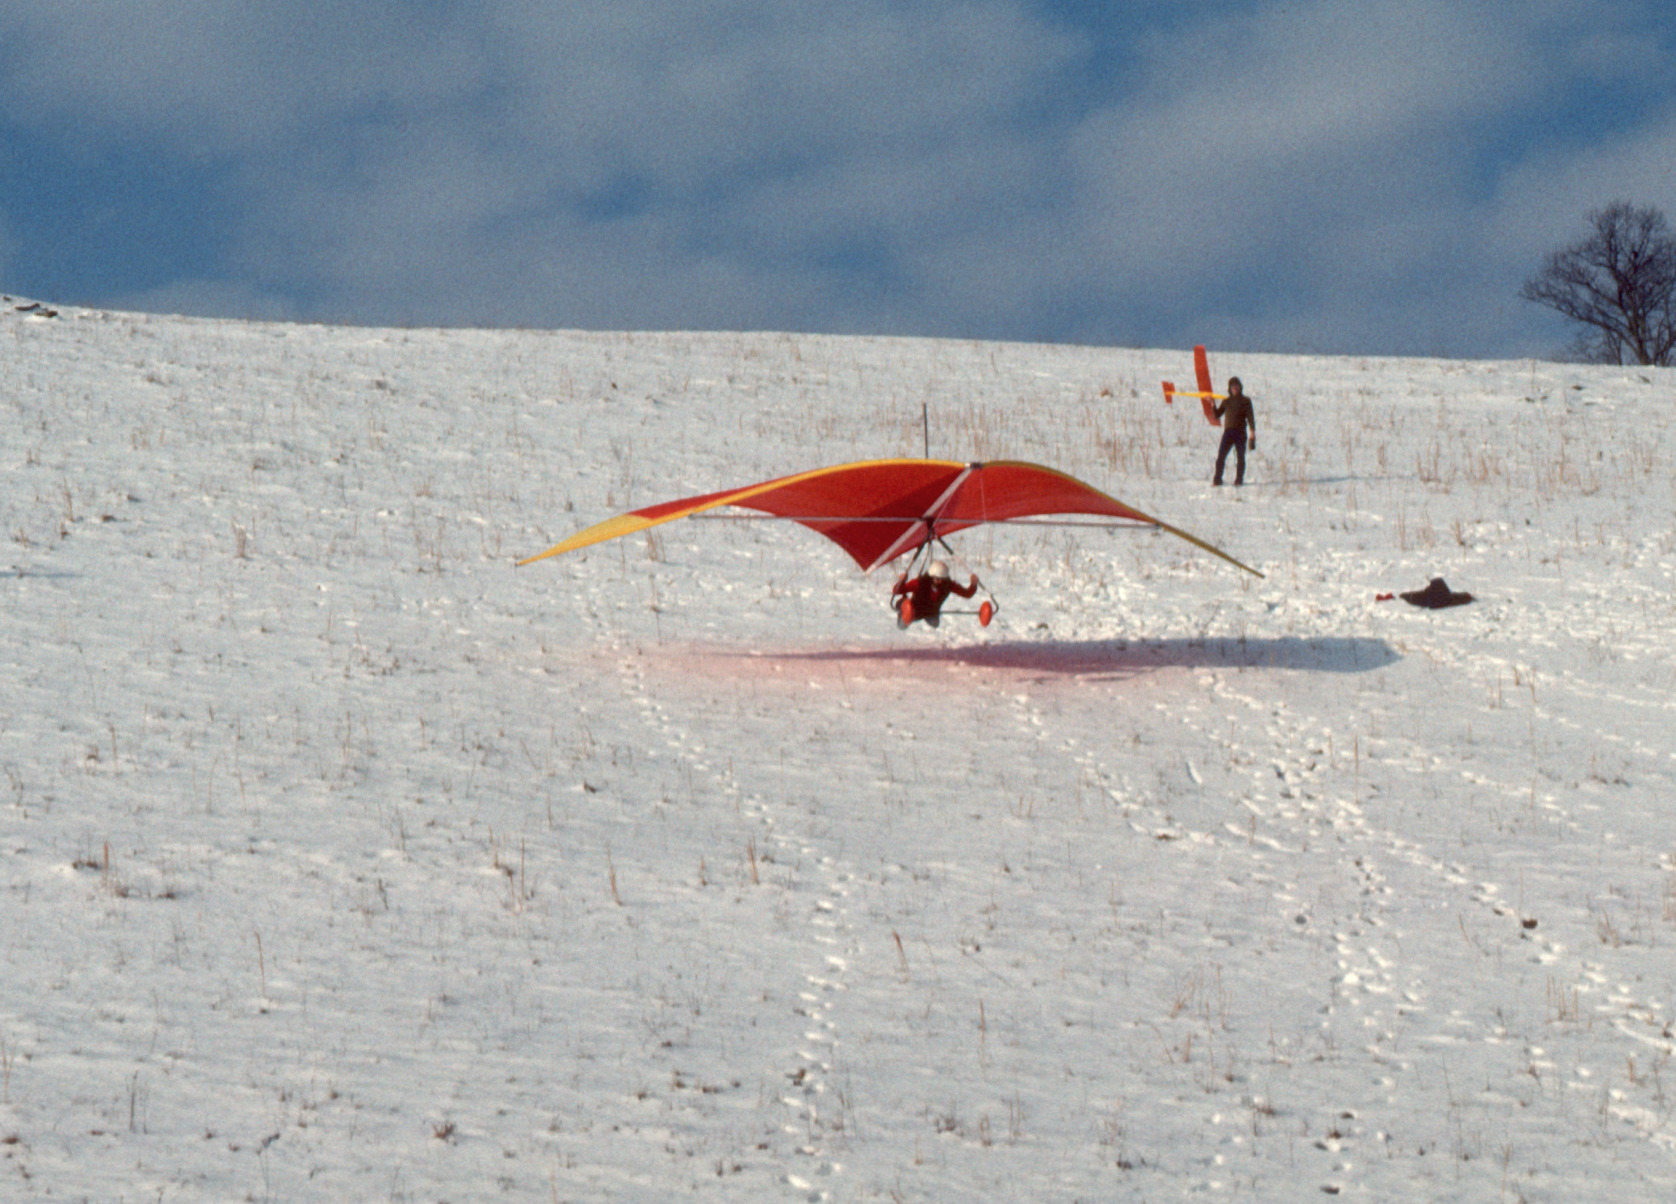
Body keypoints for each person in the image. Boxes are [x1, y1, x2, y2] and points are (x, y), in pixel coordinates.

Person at [892, 559, 978, 628]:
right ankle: (902, 603)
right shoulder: (920, 583)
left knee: (935, 624)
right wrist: (902, 581)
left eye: (942, 579)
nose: (939, 582)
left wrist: (973, 585)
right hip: (914, 611)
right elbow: (896, 590)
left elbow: (967, 594)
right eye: (937, 579)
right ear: (931, 577)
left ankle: (926, 614)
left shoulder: (948, 585)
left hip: (930, 612)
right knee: (902, 625)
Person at [1212, 376, 1257, 486]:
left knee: (1240, 457)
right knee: (1221, 456)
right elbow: (1217, 414)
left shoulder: (1246, 401)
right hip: (1228, 432)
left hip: (1240, 433)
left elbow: (1250, 417)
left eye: (1237, 386)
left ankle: (1239, 480)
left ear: (1240, 387)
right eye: (1233, 387)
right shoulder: (1226, 401)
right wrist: (1213, 405)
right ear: (1230, 388)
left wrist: (1252, 432)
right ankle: (1217, 479)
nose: (1235, 388)